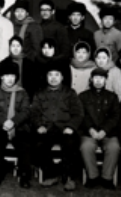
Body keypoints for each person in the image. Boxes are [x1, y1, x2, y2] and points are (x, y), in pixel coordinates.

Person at [32, 62, 84, 191]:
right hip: (47, 128)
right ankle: (52, 174)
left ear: (62, 77)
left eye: (56, 75)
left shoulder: (70, 93)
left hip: (65, 128)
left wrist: (71, 126)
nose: (53, 78)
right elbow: (34, 113)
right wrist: (39, 125)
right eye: (50, 75)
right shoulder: (40, 93)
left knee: (71, 144)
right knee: (39, 144)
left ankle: (69, 177)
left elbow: (78, 113)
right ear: (46, 77)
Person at [0, 61, 32, 189]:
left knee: (24, 144)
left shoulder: (22, 93)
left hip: (19, 127)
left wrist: (13, 122)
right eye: (7, 76)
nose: (10, 79)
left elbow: (26, 111)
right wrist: (3, 122)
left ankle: (24, 176)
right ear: (1, 77)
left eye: (12, 76)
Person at [78, 67, 121, 190]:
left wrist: (104, 130)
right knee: (86, 146)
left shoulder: (112, 97)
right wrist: (90, 129)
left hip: (108, 133)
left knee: (114, 147)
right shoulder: (82, 96)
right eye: (95, 78)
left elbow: (115, 116)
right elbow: (81, 115)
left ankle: (107, 178)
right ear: (91, 79)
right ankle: (93, 177)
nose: (98, 81)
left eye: (101, 78)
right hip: (88, 132)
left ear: (105, 80)